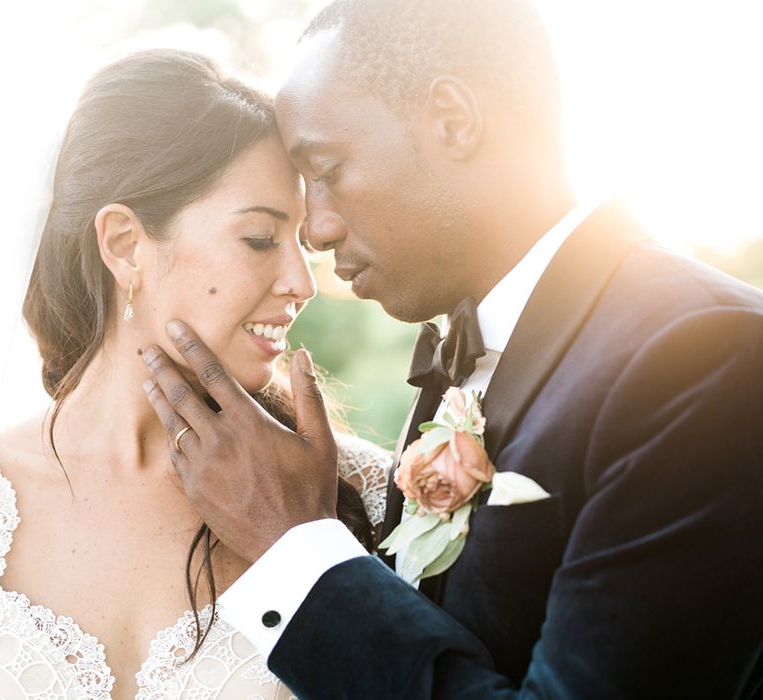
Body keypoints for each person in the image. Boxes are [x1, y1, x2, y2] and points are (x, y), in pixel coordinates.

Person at [142, 0, 763, 698]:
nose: (314, 230)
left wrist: (296, 549)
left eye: (328, 168)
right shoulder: (468, 359)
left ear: (453, 121)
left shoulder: (705, 356)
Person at [0, 48, 390, 698]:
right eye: (262, 240)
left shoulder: (363, 496)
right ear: (126, 245)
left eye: (303, 246)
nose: (301, 283)